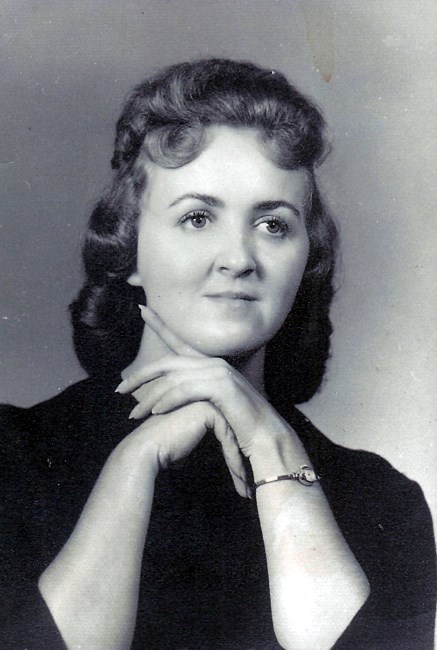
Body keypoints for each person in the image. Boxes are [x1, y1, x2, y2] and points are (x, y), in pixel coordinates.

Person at [0, 59, 435, 650]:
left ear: (307, 257)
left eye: (273, 225)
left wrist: (270, 444)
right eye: (198, 218)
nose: (238, 258)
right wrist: (136, 462)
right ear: (127, 248)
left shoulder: (381, 499)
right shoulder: (15, 459)